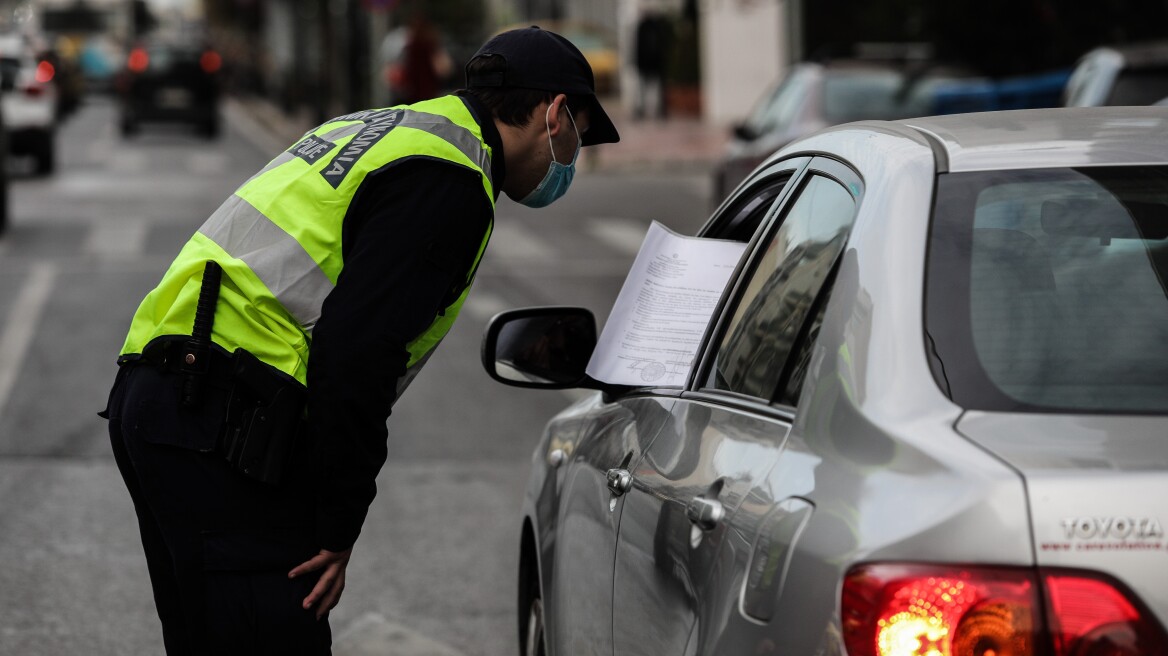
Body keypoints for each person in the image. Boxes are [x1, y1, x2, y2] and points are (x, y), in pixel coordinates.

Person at [101, 26, 618, 655]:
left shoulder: (391, 127)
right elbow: (357, 356)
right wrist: (337, 527)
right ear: (554, 113)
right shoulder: (452, 181)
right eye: (580, 137)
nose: (572, 157)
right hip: (222, 420)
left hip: (160, 393)